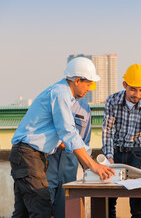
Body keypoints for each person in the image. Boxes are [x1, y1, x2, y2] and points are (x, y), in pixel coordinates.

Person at [8, 57, 115, 217]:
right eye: (88, 84)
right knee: (42, 210)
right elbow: (68, 133)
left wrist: (91, 159)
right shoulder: (61, 94)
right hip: (28, 156)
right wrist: (92, 165)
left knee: (23, 213)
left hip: (27, 156)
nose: (90, 89)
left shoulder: (62, 94)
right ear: (77, 81)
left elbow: (63, 140)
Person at [102, 64, 141, 218]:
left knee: (138, 206)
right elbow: (107, 131)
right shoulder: (112, 101)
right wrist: (109, 157)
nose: (137, 94)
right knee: (108, 202)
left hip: (138, 155)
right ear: (124, 85)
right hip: (116, 153)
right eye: (133, 89)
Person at [46, 97, 92, 218]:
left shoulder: (84, 108)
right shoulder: (54, 101)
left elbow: (85, 143)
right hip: (47, 167)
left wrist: (92, 171)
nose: (86, 90)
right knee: (42, 210)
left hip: (69, 171)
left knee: (66, 212)